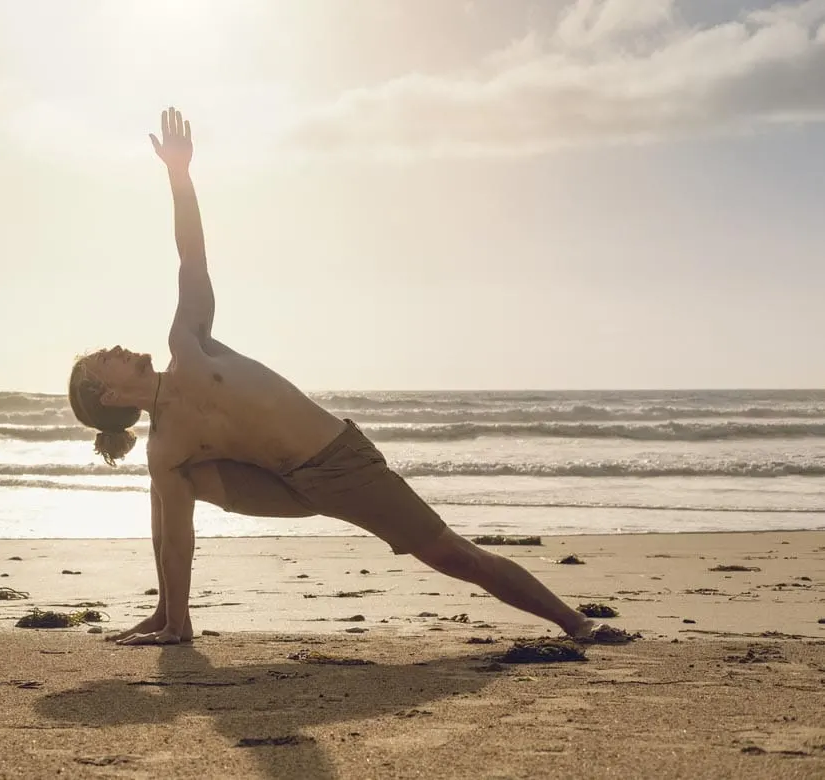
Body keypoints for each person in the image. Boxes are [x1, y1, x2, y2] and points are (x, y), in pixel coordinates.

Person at [68, 107, 610, 646]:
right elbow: (176, 540)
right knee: (164, 486)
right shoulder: (165, 447)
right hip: (281, 486)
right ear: (111, 394)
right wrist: (176, 609)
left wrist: (179, 174)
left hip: (338, 463)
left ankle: (575, 622)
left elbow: (192, 259)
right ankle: (173, 619)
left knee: (449, 553)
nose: (114, 348)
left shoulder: (188, 345)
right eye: (103, 360)